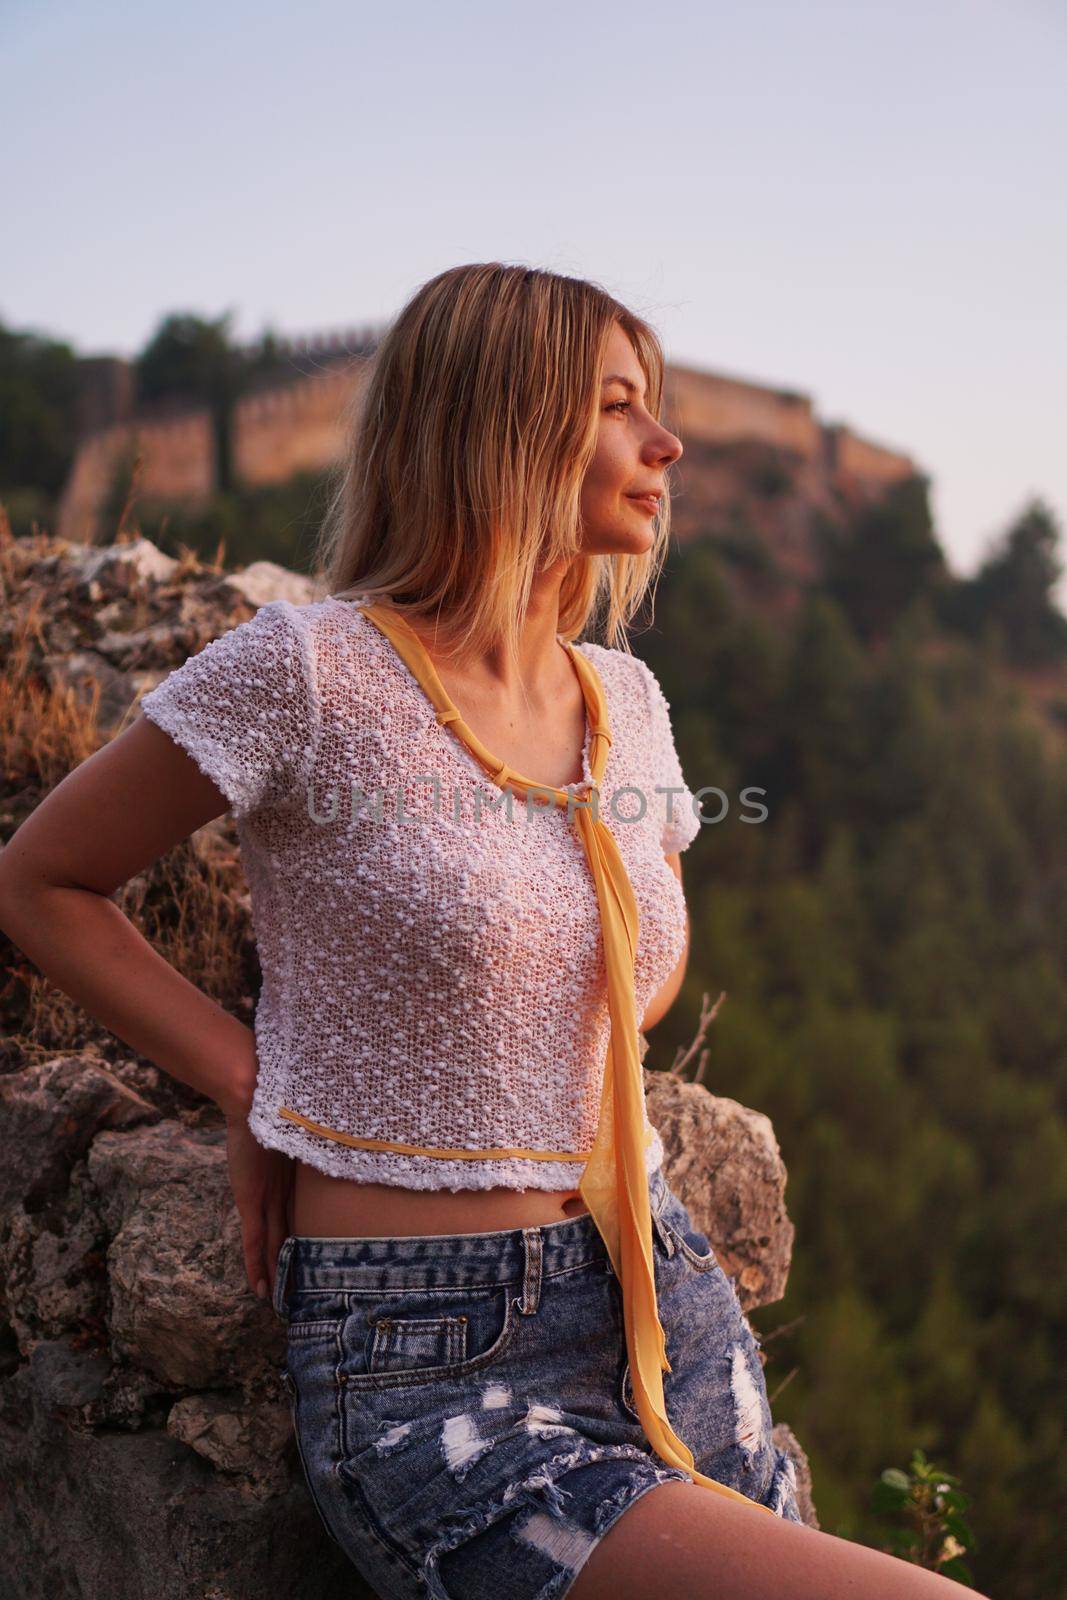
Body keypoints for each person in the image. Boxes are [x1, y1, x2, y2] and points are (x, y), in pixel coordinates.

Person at [0, 264, 990, 1600]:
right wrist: (252, 1077)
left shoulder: (627, 702)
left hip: (658, 1288)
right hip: (430, 1356)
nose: (669, 444)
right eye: (622, 405)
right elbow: (43, 882)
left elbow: (639, 962)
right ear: (502, 422)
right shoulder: (309, 670)